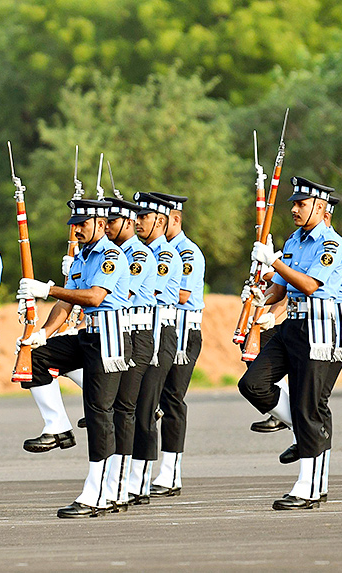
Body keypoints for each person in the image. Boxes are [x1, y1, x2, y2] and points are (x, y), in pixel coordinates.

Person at [238, 177, 342, 509]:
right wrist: (260, 294)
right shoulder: (294, 241)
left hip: (325, 330)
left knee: (310, 406)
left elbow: (309, 285)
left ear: (320, 207)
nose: (293, 209)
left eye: (301, 204)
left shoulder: (332, 247)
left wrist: (273, 261)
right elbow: (280, 288)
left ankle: (309, 486)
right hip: (295, 326)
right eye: (293, 203)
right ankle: (300, 431)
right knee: (253, 383)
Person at [17, 199, 131, 518]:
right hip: (87, 337)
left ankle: (99, 492)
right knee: (35, 359)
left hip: (110, 338)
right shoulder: (81, 257)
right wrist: (44, 333)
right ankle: (58, 426)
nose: (76, 229)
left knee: (98, 413)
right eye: (74, 224)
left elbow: (94, 297)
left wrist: (48, 289)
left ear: (100, 223)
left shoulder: (110, 255)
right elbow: (66, 305)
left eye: (82, 223)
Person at [146, 192, 204, 497]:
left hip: (182, 331)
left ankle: (170, 473)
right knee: (150, 398)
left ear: (174, 219)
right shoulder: (153, 251)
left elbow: (180, 294)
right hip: (159, 331)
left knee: (171, 401)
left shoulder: (185, 253)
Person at [126, 193, 183, 504]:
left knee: (145, 408)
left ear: (160, 221)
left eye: (143, 217)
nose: (137, 222)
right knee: (133, 406)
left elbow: (139, 291)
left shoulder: (164, 257)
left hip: (158, 334)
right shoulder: (139, 253)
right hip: (138, 333)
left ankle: (139, 480)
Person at [101, 197, 156, 510]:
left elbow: (121, 293)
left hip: (135, 333)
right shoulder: (111, 254)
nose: (106, 227)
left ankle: (122, 485)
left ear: (130, 222)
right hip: (113, 332)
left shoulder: (138, 255)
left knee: (125, 408)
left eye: (112, 221)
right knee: (109, 406)